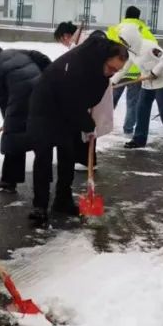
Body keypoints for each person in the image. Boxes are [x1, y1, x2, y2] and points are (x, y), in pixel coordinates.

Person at [27, 34, 128, 226]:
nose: (111, 73)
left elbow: (90, 99)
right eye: (111, 68)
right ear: (104, 58)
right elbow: (70, 100)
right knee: (44, 156)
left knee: (67, 154)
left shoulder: (98, 68)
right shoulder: (78, 64)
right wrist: (88, 125)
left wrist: (93, 123)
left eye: (117, 71)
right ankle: (39, 206)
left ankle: (62, 201)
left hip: (67, 112)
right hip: (44, 108)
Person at [0, 36, 51, 193]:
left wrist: (8, 120)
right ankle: (43, 185)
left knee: (13, 136)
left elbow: (3, 100)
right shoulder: (11, 52)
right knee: (37, 140)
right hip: (41, 94)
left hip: (22, 100)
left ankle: (9, 181)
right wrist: (47, 75)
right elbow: (38, 56)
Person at [118, 20, 163, 155]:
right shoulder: (131, 51)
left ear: (131, 37)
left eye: (124, 40)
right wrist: (113, 82)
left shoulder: (149, 47)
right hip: (147, 84)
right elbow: (124, 69)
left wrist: (154, 73)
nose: (123, 43)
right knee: (141, 109)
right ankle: (139, 139)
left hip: (161, 82)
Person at [53, 21, 115, 170]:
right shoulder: (80, 42)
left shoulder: (87, 43)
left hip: (90, 91)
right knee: (82, 125)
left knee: (85, 126)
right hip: (88, 90)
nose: (63, 44)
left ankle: (86, 161)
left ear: (66, 36)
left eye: (61, 41)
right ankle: (82, 159)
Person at [106, 7, 153, 136]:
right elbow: (152, 45)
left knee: (110, 100)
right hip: (136, 72)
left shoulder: (117, 29)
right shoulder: (142, 30)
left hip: (117, 69)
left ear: (125, 15)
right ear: (138, 17)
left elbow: (108, 47)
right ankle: (128, 129)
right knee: (132, 102)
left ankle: (103, 125)